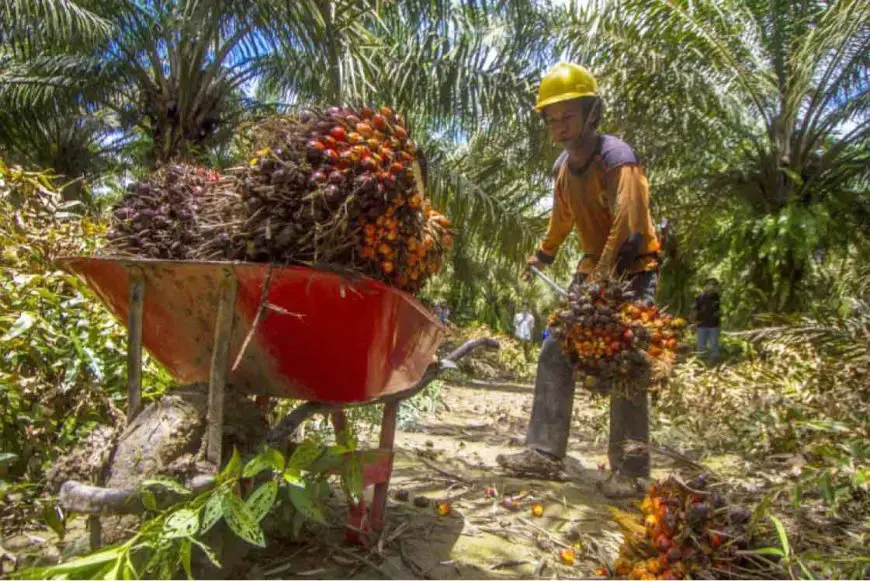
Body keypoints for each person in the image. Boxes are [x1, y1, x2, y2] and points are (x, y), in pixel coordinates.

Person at [496, 62, 661, 498]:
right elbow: (562, 217)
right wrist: (544, 254)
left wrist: (603, 285)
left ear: (591, 113)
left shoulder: (618, 160)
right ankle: (544, 453)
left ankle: (630, 472)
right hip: (594, 272)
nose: (559, 125)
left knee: (628, 364)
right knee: (556, 347)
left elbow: (628, 229)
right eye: (551, 118)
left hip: (633, 271)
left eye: (567, 115)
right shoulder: (565, 170)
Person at [693, 278, 721, 363]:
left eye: (714, 285)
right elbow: (695, 310)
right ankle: (700, 363)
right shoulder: (699, 297)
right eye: (710, 284)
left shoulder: (716, 296)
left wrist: (719, 322)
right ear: (705, 286)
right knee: (701, 345)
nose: (712, 286)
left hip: (714, 325)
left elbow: (717, 311)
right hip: (702, 325)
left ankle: (714, 362)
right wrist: (694, 323)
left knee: (714, 345)